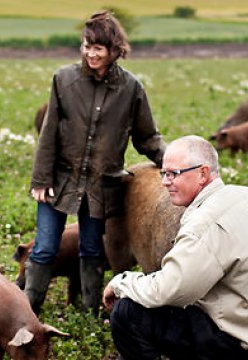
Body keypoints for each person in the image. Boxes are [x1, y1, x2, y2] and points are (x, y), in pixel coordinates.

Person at [26, 10, 165, 314]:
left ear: (115, 50)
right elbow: (49, 132)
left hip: (101, 186)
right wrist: (41, 179)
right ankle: (26, 309)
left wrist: (174, 162)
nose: (90, 53)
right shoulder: (64, 80)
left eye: (98, 48)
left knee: (92, 249)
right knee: (45, 246)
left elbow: (147, 137)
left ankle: (91, 311)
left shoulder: (131, 88)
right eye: (86, 46)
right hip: (60, 180)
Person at [103, 135, 248, 359]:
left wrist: (121, 283)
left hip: (231, 344)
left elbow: (170, 290)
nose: (165, 182)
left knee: (127, 312)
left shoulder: (204, 225)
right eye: (164, 173)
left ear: (202, 173)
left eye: (174, 174)